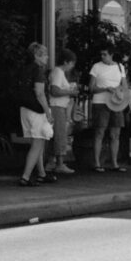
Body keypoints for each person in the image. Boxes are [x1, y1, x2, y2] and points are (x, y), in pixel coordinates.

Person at [18, 42, 56, 186]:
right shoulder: (38, 71)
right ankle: (25, 177)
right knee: (38, 143)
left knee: (37, 141)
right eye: (44, 54)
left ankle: (41, 173)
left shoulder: (24, 69)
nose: (47, 57)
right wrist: (48, 112)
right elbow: (40, 93)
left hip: (25, 108)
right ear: (37, 56)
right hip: (37, 110)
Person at [88, 45, 127, 173]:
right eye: (101, 54)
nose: (102, 57)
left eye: (105, 54)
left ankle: (114, 163)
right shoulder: (97, 67)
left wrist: (120, 92)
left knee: (115, 133)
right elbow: (91, 88)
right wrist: (106, 88)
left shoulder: (120, 67)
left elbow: (124, 86)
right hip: (100, 101)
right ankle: (97, 162)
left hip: (115, 102)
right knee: (100, 132)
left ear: (111, 55)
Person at [48, 47, 79, 175]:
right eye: (71, 63)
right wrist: (70, 92)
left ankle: (51, 161)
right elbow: (54, 91)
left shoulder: (57, 72)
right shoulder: (58, 72)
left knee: (55, 135)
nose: (71, 67)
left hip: (57, 106)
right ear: (66, 62)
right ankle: (59, 163)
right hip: (58, 106)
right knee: (60, 134)